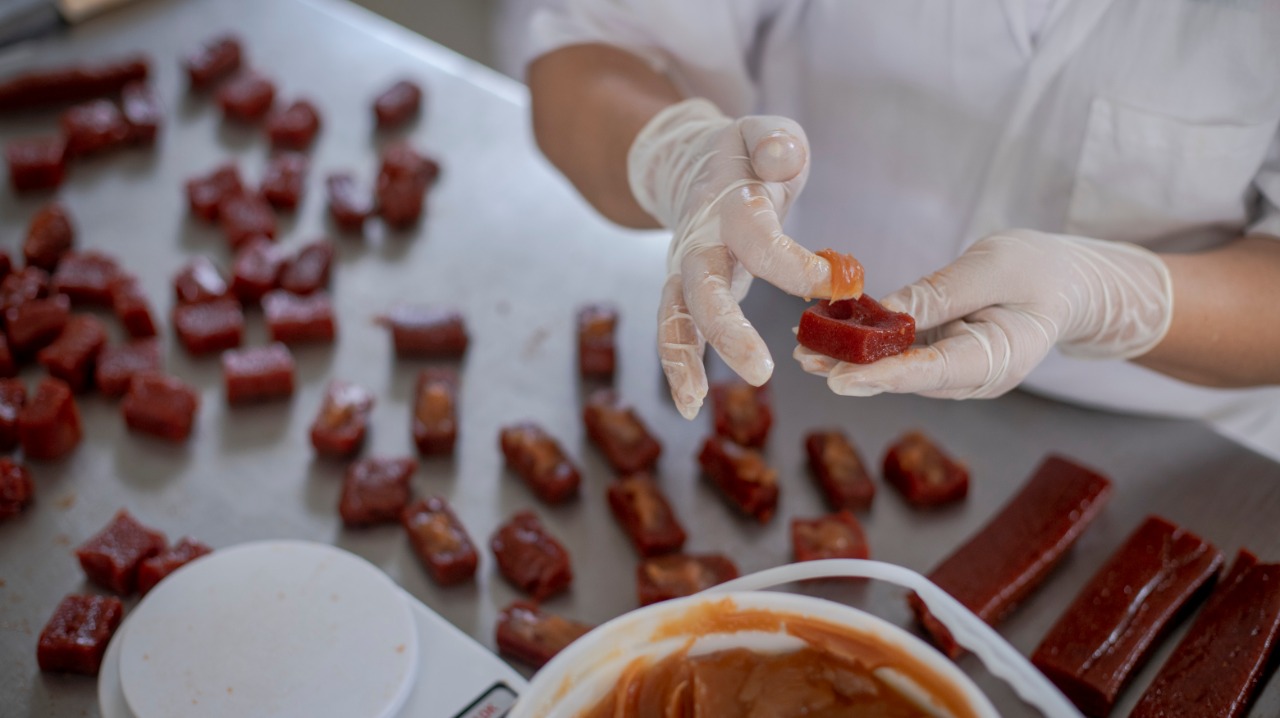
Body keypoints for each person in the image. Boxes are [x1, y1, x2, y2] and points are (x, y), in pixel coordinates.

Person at [514, 1, 1280, 460]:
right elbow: (589, 47)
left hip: (1181, 442)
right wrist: (674, 156)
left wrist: (1108, 298)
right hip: (791, 349)